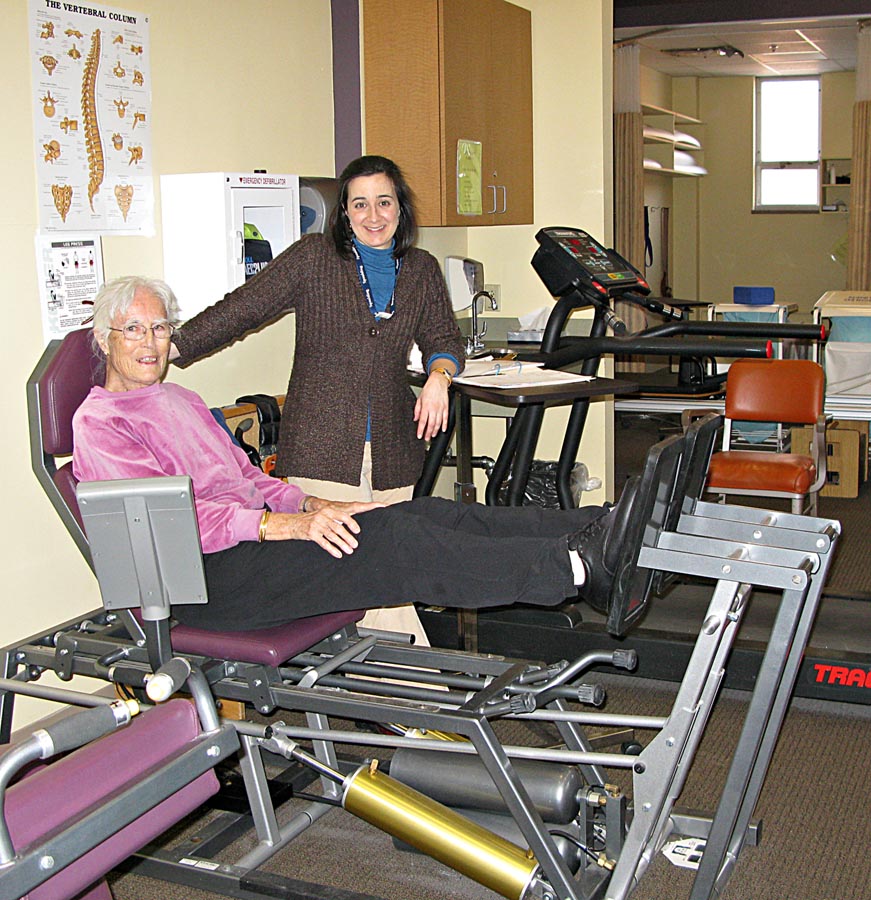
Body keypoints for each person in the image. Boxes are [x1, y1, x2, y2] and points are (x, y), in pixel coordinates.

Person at [72, 277, 635, 633]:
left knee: (419, 513)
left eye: (160, 328)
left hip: (245, 548)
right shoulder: (101, 424)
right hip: (200, 582)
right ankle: (575, 569)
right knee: (396, 544)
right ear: (104, 340)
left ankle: (594, 527)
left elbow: (247, 479)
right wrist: (289, 525)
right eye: (133, 330)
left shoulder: (179, 398)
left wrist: (311, 500)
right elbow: (171, 526)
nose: (151, 342)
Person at [170, 155, 465, 502]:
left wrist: (438, 378)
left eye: (384, 202)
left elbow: (444, 338)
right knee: (340, 554)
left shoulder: (422, 269)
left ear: (400, 208)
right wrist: (174, 346)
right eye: (360, 204)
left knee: (390, 552)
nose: (373, 216)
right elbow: (243, 309)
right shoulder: (313, 258)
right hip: (321, 450)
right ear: (345, 212)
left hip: (395, 452)